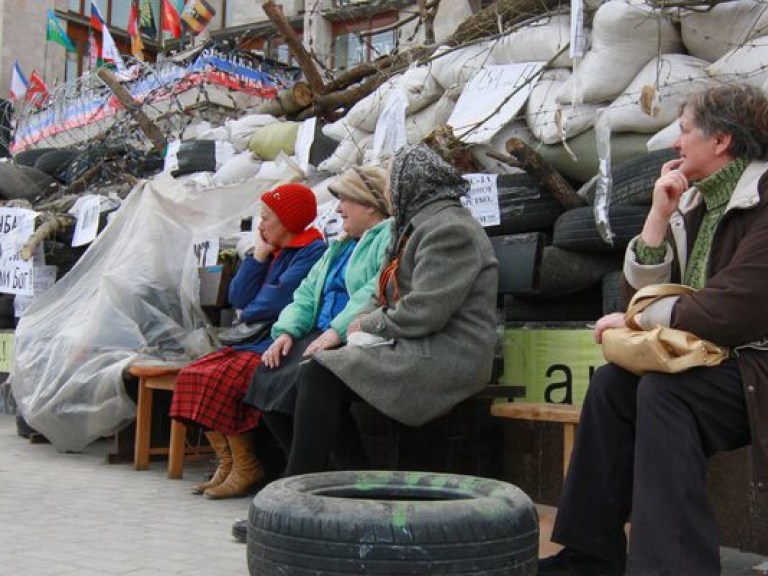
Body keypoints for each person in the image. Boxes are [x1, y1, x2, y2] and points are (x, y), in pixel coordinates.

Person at [539, 83, 768, 576]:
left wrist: (640, 318)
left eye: (684, 131)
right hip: (710, 359)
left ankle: (672, 566)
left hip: (756, 364)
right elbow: (637, 297)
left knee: (666, 394)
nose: (675, 143)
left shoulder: (764, 198)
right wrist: (658, 217)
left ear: (722, 140)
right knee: (613, 386)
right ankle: (590, 555)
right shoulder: (695, 203)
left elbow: (739, 309)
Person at [267, 143, 499, 478]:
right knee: (316, 372)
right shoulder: (416, 226)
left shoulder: (450, 230)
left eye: (391, 182)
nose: (387, 191)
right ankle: (354, 485)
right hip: (419, 343)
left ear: (412, 183)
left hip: (448, 352)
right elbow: (385, 291)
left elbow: (425, 310)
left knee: (321, 375)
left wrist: (370, 324)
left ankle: (302, 490)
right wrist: (364, 321)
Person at [169, 183, 325, 499]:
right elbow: (238, 296)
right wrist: (258, 256)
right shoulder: (272, 250)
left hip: (279, 341)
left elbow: (271, 303)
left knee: (222, 379)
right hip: (251, 338)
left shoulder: (311, 252)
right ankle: (232, 462)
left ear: (288, 220)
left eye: (267, 218)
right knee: (192, 374)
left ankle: (247, 464)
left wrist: (250, 307)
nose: (261, 225)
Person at [242, 166, 392, 463]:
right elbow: (308, 293)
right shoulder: (339, 246)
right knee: (268, 371)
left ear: (369, 205)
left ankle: (315, 472)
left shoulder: (386, 239)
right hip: (318, 332)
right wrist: (286, 331)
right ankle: (321, 470)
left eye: (346, 200)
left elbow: (373, 292)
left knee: (309, 378)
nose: (339, 208)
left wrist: (336, 332)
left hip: (353, 334)